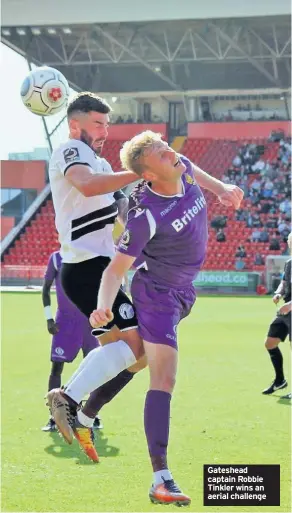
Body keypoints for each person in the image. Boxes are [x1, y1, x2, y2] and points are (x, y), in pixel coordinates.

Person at [48, 131, 243, 506]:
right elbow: (113, 271)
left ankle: (84, 413)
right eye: (160, 152)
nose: (172, 152)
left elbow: (194, 169)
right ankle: (161, 478)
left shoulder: (180, 168)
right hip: (157, 296)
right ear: (148, 174)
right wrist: (104, 305)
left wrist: (221, 188)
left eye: (167, 147)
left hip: (184, 291)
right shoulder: (144, 217)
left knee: (135, 356)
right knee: (163, 376)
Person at [45, 91, 148, 461]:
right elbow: (86, 184)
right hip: (88, 268)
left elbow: (122, 208)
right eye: (98, 124)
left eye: (107, 124)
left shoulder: (101, 163)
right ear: (76, 124)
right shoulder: (70, 152)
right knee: (139, 349)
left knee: (133, 356)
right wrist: (140, 170)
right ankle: (69, 399)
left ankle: (82, 413)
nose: (105, 131)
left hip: (100, 269)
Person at [42, 250, 102, 432]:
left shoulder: (93, 255)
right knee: (56, 367)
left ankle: (90, 415)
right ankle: (54, 417)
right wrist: (49, 318)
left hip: (89, 320)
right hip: (64, 322)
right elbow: (45, 288)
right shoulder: (56, 258)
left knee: (94, 368)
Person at [262, 232, 291, 397]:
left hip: (289, 307)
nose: (289, 244)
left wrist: (290, 305)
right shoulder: (289, 263)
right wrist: (279, 293)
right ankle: (280, 380)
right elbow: (284, 282)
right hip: (285, 310)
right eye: (289, 241)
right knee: (270, 343)